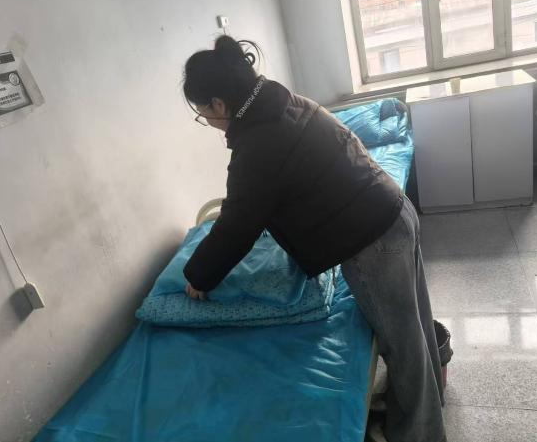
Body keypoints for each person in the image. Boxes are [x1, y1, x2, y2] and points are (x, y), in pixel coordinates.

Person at [182, 35, 446, 442]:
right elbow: (283, 188)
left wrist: (198, 276)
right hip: (392, 210)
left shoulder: (257, 145)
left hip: (372, 239)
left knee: (402, 344)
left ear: (218, 104)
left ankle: (418, 434)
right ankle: (423, 409)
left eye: (203, 113)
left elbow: (236, 225)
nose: (209, 121)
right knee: (416, 327)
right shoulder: (284, 101)